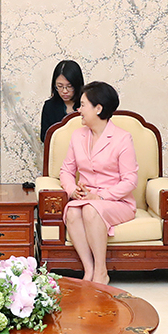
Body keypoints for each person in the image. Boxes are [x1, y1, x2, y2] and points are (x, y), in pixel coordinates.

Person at [58, 82, 137, 285]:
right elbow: (66, 171)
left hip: (116, 201)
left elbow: (130, 181)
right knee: (73, 211)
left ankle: (101, 271)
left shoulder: (122, 138)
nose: (78, 110)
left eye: (83, 105)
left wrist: (100, 197)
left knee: (91, 210)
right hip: (85, 200)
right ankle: (89, 270)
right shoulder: (77, 136)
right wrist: (72, 189)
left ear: (98, 108)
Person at [40, 60, 84, 142]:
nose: (64, 91)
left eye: (69, 86)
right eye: (60, 86)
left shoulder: (88, 104)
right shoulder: (49, 106)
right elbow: (44, 137)